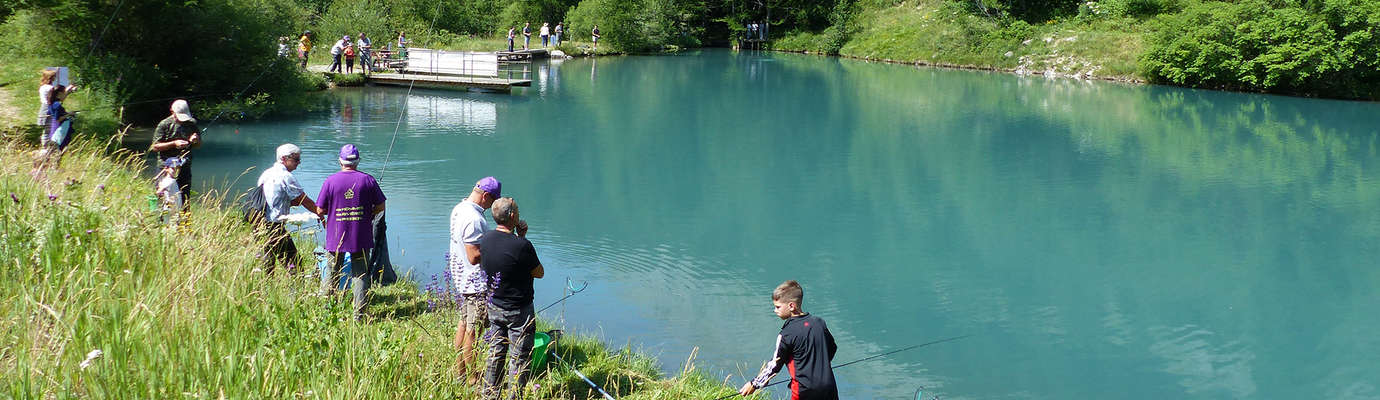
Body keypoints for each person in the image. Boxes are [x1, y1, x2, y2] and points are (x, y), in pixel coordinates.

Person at [480, 197, 544, 400]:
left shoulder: (486, 239)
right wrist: (522, 239)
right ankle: (514, 396)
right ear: (513, 216)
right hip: (519, 311)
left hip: (494, 306)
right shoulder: (522, 246)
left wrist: (520, 236)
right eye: (517, 209)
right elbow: (539, 272)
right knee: (520, 357)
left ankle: (490, 395)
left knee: (496, 352)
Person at [316, 144, 387, 319]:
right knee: (360, 274)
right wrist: (368, 213)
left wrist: (332, 211)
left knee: (332, 272)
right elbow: (381, 206)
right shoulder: (368, 180)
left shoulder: (330, 181)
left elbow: (319, 210)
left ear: (340, 161)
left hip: (335, 235)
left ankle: (328, 311)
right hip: (360, 235)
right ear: (357, 161)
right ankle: (359, 315)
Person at [737, 280, 838, 399]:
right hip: (829, 387)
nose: (775, 310)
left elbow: (774, 365)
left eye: (778, 307)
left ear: (791, 306)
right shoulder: (819, 323)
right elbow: (832, 349)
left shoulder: (786, 334)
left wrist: (754, 384)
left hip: (804, 390)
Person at [450, 176, 501, 381]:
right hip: (476, 284)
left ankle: (460, 372)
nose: (491, 207)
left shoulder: (459, 208)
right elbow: (473, 256)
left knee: (463, 325)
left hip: (462, 279)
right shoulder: (474, 219)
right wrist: (496, 247)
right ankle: (472, 378)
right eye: (492, 201)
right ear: (485, 196)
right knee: (473, 332)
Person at [257, 143, 322, 273]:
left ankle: (264, 288)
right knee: (294, 264)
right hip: (275, 225)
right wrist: (320, 213)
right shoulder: (286, 176)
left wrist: (290, 202)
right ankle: (297, 289)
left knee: (267, 261)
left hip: (261, 223)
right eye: (296, 159)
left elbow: (272, 198)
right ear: (283, 159)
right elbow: (304, 200)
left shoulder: (266, 173)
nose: (299, 163)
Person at [149, 99, 202, 209]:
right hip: (165, 168)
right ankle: (161, 222)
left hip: (184, 168)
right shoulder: (164, 125)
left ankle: (185, 225)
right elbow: (155, 147)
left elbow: (198, 145)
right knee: (163, 198)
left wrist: (195, 140)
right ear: (172, 112)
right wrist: (174, 144)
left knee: (184, 200)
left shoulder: (192, 124)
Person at [37, 69, 75, 145]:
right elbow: (59, 96)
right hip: (47, 110)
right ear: (51, 78)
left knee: (46, 131)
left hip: (43, 109)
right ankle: (46, 147)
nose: (55, 78)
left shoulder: (43, 87)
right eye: (54, 76)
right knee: (48, 131)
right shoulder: (50, 88)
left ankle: (46, 147)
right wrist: (69, 89)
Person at [154, 157, 186, 227]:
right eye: (173, 168)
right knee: (169, 227)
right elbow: (159, 191)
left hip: (175, 210)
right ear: (167, 169)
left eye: (178, 168)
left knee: (174, 226)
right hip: (170, 210)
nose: (176, 170)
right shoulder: (168, 181)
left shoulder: (172, 179)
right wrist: (162, 194)